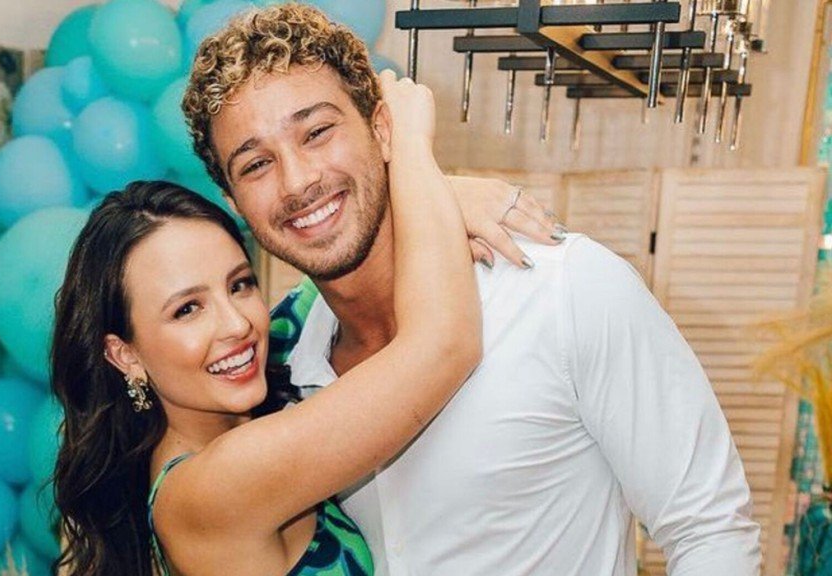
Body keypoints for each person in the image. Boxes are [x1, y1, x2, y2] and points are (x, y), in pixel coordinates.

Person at [182, 4, 762, 575]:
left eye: (317, 132)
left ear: (382, 130)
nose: (298, 181)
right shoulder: (274, 364)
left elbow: (709, 528)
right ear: (234, 201)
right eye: (255, 165)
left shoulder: (565, 288)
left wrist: (429, 184)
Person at [52, 70, 492, 575]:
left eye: (239, 284)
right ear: (124, 353)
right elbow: (444, 346)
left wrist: (455, 197)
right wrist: (410, 147)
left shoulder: (275, 345)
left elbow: (344, 256)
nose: (236, 325)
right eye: (187, 309)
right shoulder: (211, 489)